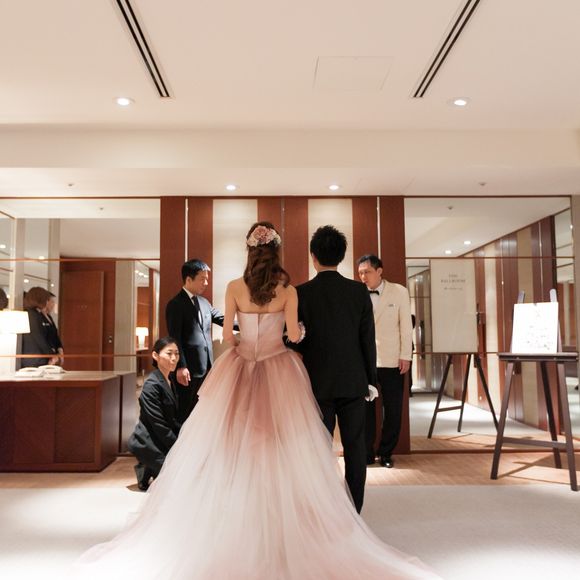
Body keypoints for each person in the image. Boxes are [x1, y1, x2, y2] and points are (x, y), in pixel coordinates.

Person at [70, 222, 438, 580]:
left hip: (240, 369)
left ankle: (240, 520)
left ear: (250, 250)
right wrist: (294, 334)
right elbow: (296, 335)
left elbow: (229, 337)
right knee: (292, 452)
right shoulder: (289, 291)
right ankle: (314, 521)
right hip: (283, 371)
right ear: (277, 251)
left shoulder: (234, 287)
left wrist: (247, 339)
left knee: (238, 450)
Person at [295, 226, 377, 514]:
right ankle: (354, 511)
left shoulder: (301, 293)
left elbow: (294, 340)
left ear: (313, 256)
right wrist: (370, 381)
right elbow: (367, 340)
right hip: (354, 382)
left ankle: (323, 510)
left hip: (318, 383)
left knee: (319, 449)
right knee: (355, 448)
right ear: (341, 256)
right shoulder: (358, 291)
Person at [358, 254, 413, 469]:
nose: (363, 277)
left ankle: (386, 453)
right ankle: (366, 453)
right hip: (365, 361)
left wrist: (406, 355)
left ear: (379, 271)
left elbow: (406, 327)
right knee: (365, 410)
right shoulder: (356, 292)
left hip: (392, 359)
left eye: (367, 272)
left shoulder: (399, 292)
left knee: (393, 409)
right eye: (360, 273)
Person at [165, 259, 226, 423]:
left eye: (207, 279)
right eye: (202, 279)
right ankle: (179, 440)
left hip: (206, 368)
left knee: (202, 413)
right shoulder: (175, 304)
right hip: (187, 371)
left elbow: (222, 320)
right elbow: (175, 338)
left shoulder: (205, 303)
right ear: (188, 279)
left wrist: (248, 324)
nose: (206, 283)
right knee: (184, 413)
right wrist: (181, 366)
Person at [127, 337, 181, 491]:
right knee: (177, 478)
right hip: (148, 441)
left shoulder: (169, 380)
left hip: (160, 438)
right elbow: (158, 424)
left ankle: (148, 468)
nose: (174, 358)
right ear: (155, 356)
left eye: (177, 354)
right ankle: (146, 466)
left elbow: (172, 418)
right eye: (169, 353)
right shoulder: (152, 385)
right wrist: (177, 445)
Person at [20, 286, 59, 368]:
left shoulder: (36, 314)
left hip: (36, 357)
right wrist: (51, 355)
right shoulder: (32, 315)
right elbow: (39, 337)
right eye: (46, 299)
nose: (47, 302)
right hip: (34, 359)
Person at [43, 291, 64, 366]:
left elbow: (55, 335)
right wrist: (51, 354)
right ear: (46, 302)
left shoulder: (49, 317)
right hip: (47, 355)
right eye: (52, 302)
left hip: (55, 353)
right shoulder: (39, 317)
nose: (53, 304)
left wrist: (60, 349)